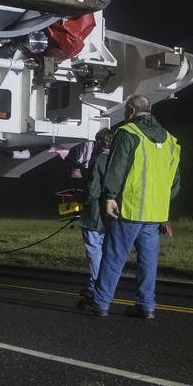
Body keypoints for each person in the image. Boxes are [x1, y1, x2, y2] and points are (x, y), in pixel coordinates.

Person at [78, 94, 180, 319]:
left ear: (131, 111)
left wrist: (110, 196)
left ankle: (101, 303)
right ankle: (146, 306)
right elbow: (175, 181)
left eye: (126, 111)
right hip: (155, 214)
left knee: (114, 257)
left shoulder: (127, 133)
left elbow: (117, 168)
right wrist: (163, 206)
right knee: (148, 262)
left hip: (130, 209)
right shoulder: (171, 141)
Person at [78, 127, 113, 297]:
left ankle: (94, 287)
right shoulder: (117, 161)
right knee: (107, 250)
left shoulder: (98, 160)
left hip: (95, 213)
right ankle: (106, 286)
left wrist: (81, 200)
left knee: (94, 250)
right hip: (112, 215)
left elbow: (93, 189)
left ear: (98, 142)